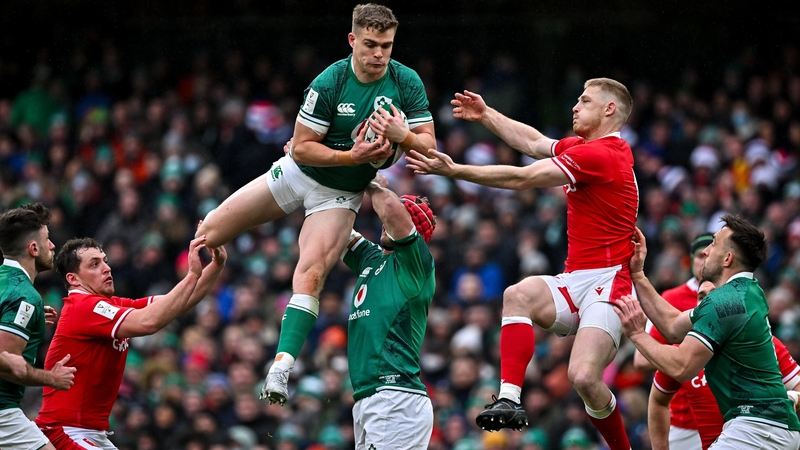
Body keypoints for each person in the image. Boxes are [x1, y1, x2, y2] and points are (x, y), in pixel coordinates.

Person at [192, 3, 435, 406]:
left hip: (338, 196)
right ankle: (181, 301)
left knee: (311, 274)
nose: (379, 55)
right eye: (371, 45)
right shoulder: (331, 80)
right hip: (299, 173)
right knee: (208, 233)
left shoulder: (405, 81)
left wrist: (401, 136)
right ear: (352, 40)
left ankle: (281, 367)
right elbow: (302, 148)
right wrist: (351, 158)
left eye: (387, 46)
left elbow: (428, 144)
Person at [407, 78, 636, 449]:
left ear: (609, 109)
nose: (575, 106)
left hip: (610, 282)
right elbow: (532, 142)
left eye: (585, 100)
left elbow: (522, 177)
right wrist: (486, 115)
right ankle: (510, 399)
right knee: (518, 294)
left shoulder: (604, 155)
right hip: (576, 276)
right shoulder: (583, 147)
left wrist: (454, 170)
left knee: (583, 377)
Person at [614, 216, 800, 449]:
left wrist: (637, 335)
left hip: (757, 429)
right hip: (768, 429)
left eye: (713, 243)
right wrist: (638, 275)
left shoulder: (724, 302)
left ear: (727, 258)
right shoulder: (746, 291)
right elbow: (672, 326)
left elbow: (682, 366)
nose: (705, 252)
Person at [34, 234, 227, 449]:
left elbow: (178, 302)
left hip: (89, 432)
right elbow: (149, 322)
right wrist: (191, 275)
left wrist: (216, 264)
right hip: (64, 430)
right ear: (73, 279)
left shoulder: (109, 305)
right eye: (95, 264)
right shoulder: (83, 306)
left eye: (105, 261)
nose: (106, 268)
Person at [341, 174, 436, 449]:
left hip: (396, 397)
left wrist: (367, 177)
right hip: (370, 397)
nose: (384, 220)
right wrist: (310, 172)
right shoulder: (371, 259)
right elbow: (334, 226)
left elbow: (392, 210)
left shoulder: (416, 265)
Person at [0, 203, 77, 450]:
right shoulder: (25, 297)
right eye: (47, 239)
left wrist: (25, 318)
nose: (53, 246)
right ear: (33, 248)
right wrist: (52, 378)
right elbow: (8, 365)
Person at [632, 232, 714, 449]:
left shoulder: (736, 297)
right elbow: (640, 361)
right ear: (690, 260)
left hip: (729, 416)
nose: (704, 262)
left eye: (710, 255)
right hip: (683, 422)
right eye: (699, 256)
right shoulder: (671, 299)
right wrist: (688, 356)